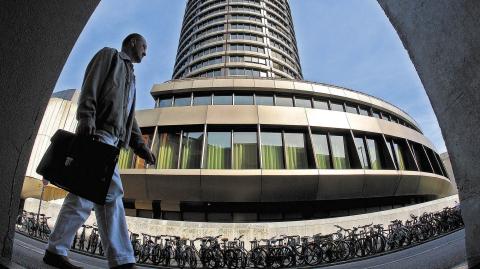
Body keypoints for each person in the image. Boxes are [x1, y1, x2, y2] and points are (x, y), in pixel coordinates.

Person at [43, 33, 155, 269]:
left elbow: (129, 119)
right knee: (92, 195)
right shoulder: (110, 57)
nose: (146, 52)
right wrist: (86, 116)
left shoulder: (131, 78)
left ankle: (118, 259)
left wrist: (141, 146)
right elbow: (91, 85)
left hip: (112, 143)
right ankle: (118, 260)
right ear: (133, 43)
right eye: (144, 47)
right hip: (99, 135)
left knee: (104, 197)